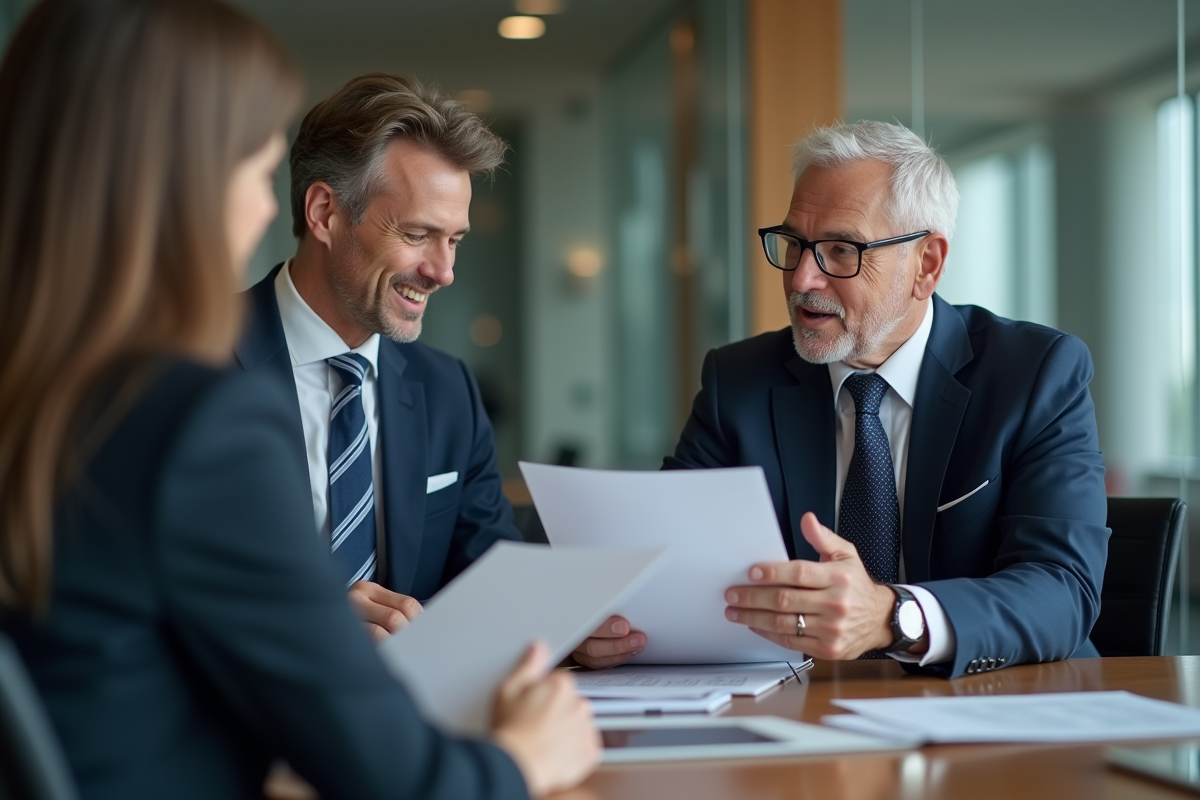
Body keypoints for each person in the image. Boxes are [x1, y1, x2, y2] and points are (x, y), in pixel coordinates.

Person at [0, 1, 597, 798]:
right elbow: (403, 781)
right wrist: (530, 755)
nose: (257, 210)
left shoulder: (50, 390)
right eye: (251, 170)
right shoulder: (194, 416)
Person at [662, 121, 1108, 679]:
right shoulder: (740, 380)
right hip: (801, 711)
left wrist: (894, 618)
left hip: (995, 708)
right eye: (796, 243)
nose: (803, 277)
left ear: (926, 264)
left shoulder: (1034, 374)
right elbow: (668, 559)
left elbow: (1062, 588)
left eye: (841, 250)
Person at [235, 73, 521, 642]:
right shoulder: (181, 366)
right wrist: (306, 627)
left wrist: (578, 627)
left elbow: (496, 587)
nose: (444, 272)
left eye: (455, 240)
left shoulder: (449, 393)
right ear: (323, 212)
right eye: (418, 234)